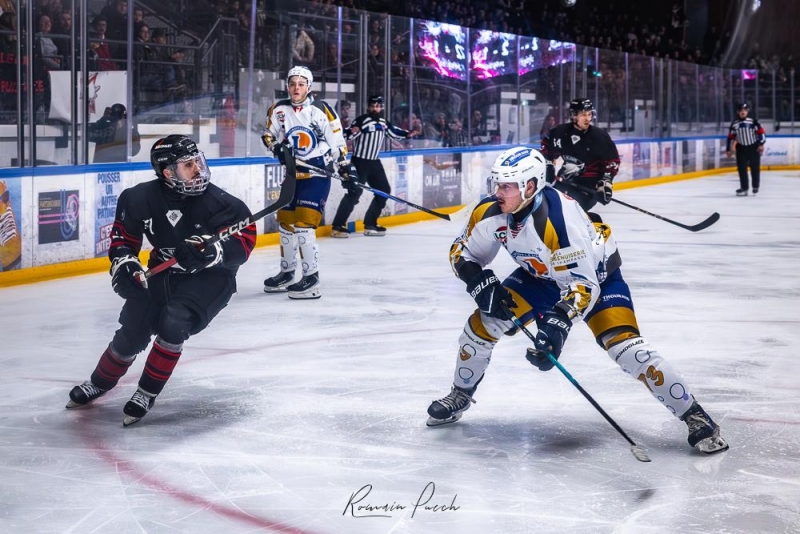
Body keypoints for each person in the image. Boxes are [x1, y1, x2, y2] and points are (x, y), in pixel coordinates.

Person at [426, 146, 729, 455]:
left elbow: (582, 286)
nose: (497, 192)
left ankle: (694, 415)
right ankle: (460, 395)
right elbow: (462, 251)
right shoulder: (491, 211)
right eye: (497, 183)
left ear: (530, 186)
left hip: (597, 277)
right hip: (539, 276)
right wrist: (476, 279)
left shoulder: (559, 221)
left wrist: (556, 327)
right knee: (480, 326)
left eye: (507, 185)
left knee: (626, 348)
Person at [65, 135, 257, 426]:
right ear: (168, 172)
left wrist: (210, 251)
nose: (198, 169)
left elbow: (243, 243)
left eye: (198, 162)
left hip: (210, 279)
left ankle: (146, 392)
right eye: (188, 165)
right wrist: (126, 264)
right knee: (133, 329)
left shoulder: (222, 204)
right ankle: (100, 382)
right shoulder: (139, 198)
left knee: (174, 320)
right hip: (162, 273)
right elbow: (123, 240)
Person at [260, 65, 350, 299]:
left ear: (308, 87)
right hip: (292, 175)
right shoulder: (279, 109)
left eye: (301, 84)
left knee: (303, 227)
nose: (296, 88)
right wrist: (276, 148)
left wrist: (344, 166)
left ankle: (311, 277)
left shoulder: (321, 109)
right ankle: (287, 273)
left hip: (316, 174)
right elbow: (268, 135)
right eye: (292, 84)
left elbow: (337, 141)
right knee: (286, 227)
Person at [330, 95, 417, 237]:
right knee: (354, 192)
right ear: (368, 107)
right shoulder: (362, 120)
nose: (375, 108)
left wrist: (408, 134)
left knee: (384, 190)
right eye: (373, 106)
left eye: (378, 106)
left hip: (374, 162)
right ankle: (337, 226)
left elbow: (394, 132)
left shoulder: (383, 122)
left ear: (381, 107)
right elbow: (349, 134)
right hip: (360, 162)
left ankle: (370, 224)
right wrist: (350, 132)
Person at [540, 98, 620, 217]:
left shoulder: (599, 137)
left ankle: (588, 228)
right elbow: (546, 150)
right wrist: (548, 168)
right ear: (573, 115)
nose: (588, 119)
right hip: (563, 183)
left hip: (588, 188)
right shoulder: (559, 133)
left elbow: (612, 163)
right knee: (545, 209)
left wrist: (605, 184)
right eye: (583, 115)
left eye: (589, 114)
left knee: (568, 214)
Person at [726, 102, 766, 196]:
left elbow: (761, 133)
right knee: (742, 169)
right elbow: (730, 137)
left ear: (748, 111)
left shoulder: (753, 121)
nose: (743, 112)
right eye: (741, 110)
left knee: (755, 168)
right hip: (741, 149)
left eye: (745, 110)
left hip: (753, 147)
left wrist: (761, 144)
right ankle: (744, 188)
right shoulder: (734, 123)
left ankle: (755, 186)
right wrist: (728, 149)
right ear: (737, 112)